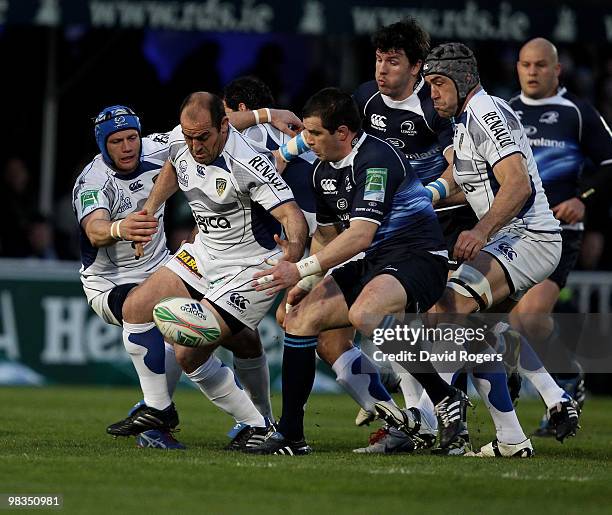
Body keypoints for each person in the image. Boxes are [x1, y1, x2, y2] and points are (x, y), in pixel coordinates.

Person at [247, 88, 466, 456]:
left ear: (344, 133)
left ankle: (445, 397)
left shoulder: (376, 158)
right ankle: (291, 435)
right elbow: (328, 236)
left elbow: (362, 235)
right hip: (374, 262)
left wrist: (299, 268)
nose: (306, 142)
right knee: (300, 319)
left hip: (418, 256)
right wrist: (304, 283)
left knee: (364, 313)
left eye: (314, 134)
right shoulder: (322, 171)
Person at [73, 105, 273, 449]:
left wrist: (266, 115)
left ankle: (262, 420)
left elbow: (207, 129)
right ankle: (162, 416)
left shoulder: (156, 147)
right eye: (117, 141)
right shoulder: (92, 181)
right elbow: (95, 229)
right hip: (110, 284)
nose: (127, 147)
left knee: (244, 337)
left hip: (168, 267)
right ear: (103, 145)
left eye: (131, 137)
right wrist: (121, 228)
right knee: (174, 334)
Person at [119, 92, 308, 448]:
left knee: (188, 350)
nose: (194, 145)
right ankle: (160, 408)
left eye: (202, 137)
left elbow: (293, 218)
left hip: (252, 266)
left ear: (222, 127)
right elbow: (173, 166)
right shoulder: (184, 138)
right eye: (189, 136)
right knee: (135, 306)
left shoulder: (250, 164)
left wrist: (293, 257)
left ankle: (259, 425)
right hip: (205, 253)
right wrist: (149, 211)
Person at [421, 42, 580, 457]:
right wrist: (422, 199)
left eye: (439, 83)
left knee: (447, 310)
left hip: (530, 235)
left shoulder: (486, 113)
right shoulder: (463, 121)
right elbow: (464, 182)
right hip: (512, 238)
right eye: (429, 85)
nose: (433, 93)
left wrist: (480, 229)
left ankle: (428, 414)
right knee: (482, 334)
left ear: (462, 80)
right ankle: (522, 427)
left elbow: (518, 184)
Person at [508, 37, 612, 435]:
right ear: (517, 68)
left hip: (560, 233)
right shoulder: (505, 112)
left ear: (557, 70)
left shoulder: (577, 113)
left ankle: (567, 382)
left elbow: (609, 164)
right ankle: (531, 385)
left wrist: (583, 199)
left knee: (528, 317)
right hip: (511, 234)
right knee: (508, 321)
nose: (532, 72)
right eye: (525, 65)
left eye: (540, 65)